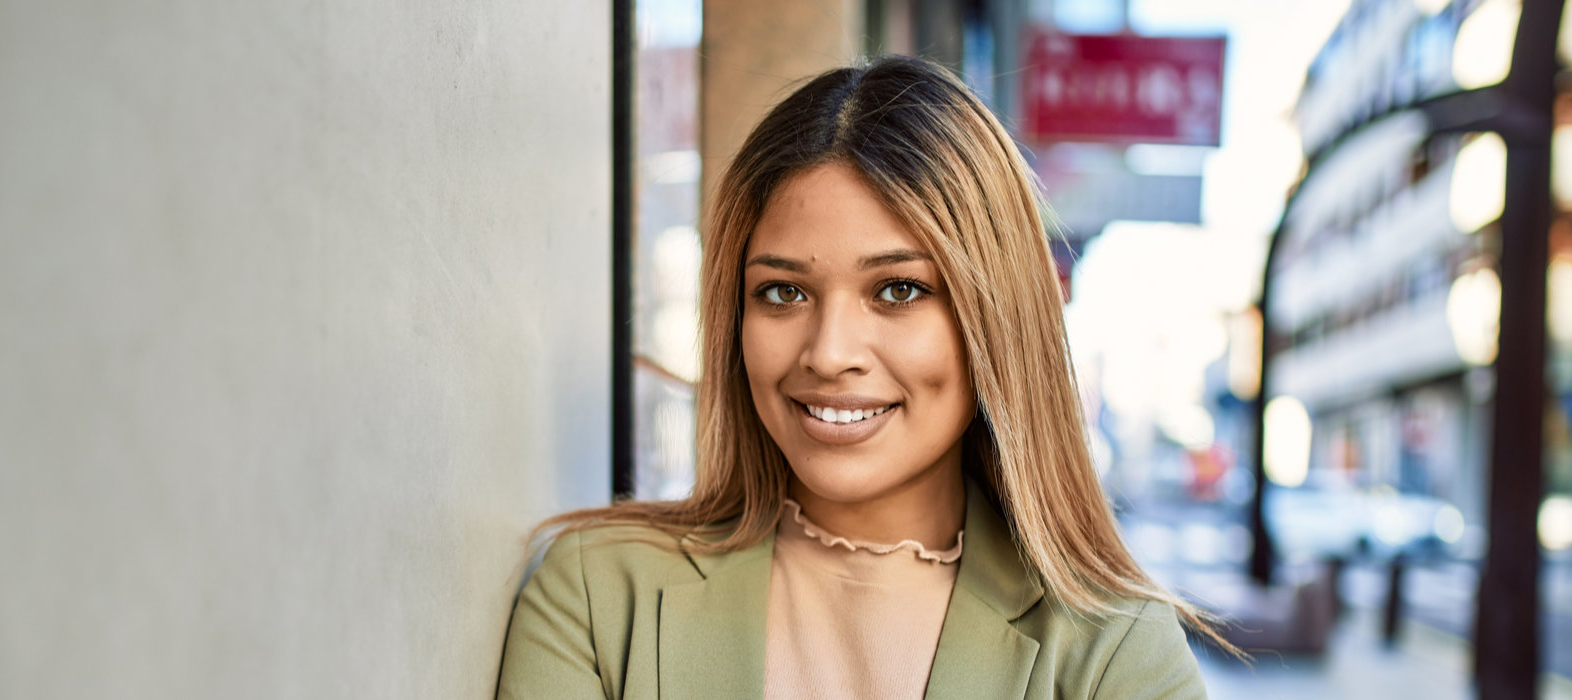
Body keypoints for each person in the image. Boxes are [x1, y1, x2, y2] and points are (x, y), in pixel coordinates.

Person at [497, 55, 1225, 699]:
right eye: (783, 292)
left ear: (995, 322)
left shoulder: (1112, 649)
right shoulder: (597, 596)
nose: (828, 351)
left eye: (898, 290)